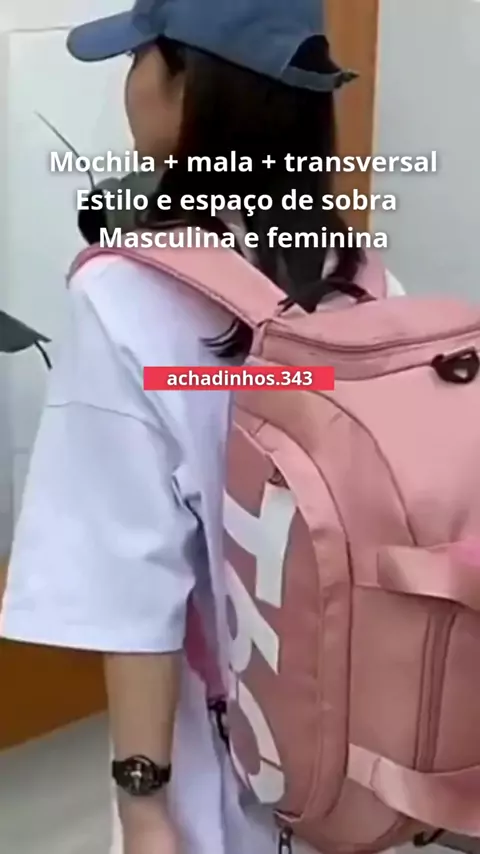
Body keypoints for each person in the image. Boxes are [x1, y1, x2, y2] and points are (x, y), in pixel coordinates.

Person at [0, 1, 404, 853]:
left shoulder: (126, 298)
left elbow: (131, 585)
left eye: (141, 56)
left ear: (190, 87)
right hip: (356, 764)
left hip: (216, 782)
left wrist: (145, 806)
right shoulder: (362, 279)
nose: (129, 83)